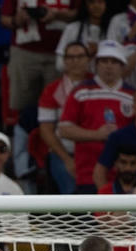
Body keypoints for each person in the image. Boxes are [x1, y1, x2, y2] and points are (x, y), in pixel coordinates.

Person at [59, 39, 135, 193]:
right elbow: (64, 129)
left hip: (126, 177)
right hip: (88, 174)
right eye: (104, 61)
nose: (108, 65)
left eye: (114, 61)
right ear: (96, 64)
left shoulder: (132, 95)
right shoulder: (81, 91)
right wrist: (96, 135)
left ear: (122, 66)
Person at [1, 0, 77, 114]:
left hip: (59, 53)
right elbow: (4, 18)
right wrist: (16, 20)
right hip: (24, 51)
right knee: (22, 105)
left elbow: (80, 12)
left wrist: (58, 14)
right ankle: (23, 130)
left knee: (57, 105)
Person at [39, 41, 90, 195]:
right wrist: (67, 160)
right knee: (71, 190)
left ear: (88, 59)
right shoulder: (52, 90)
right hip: (63, 152)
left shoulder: (97, 85)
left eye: (80, 56)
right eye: (71, 57)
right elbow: (46, 130)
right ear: (64, 61)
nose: (75, 61)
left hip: (93, 152)